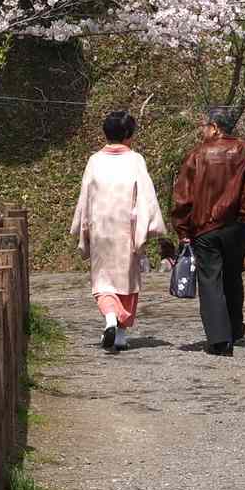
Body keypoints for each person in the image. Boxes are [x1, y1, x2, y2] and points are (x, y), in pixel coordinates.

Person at [172, 105, 245, 356]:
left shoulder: (197, 155)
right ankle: (235, 328)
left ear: (214, 127)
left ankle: (218, 338)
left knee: (210, 280)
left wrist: (183, 228)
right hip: (235, 225)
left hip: (204, 227)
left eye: (205, 126)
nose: (203, 131)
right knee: (233, 276)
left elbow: (183, 197)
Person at [70, 109, 166, 354]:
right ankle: (121, 332)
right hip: (127, 228)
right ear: (128, 135)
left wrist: (82, 226)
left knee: (103, 281)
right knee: (128, 280)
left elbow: (85, 196)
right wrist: (149, 225)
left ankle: (111, 319)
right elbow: (146, 196)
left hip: (101, 227)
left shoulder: (94, 160)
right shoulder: (135, 160)